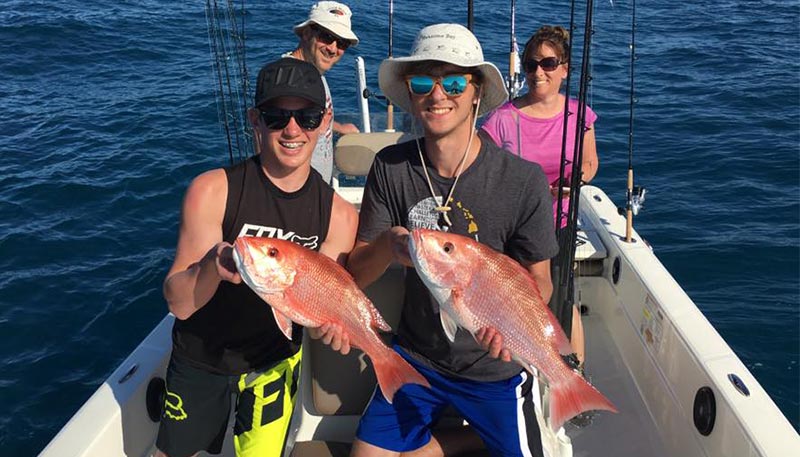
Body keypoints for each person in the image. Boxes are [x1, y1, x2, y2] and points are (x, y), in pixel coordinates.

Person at [344, 23, 559, 457]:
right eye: (423, 82)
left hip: (494, 371)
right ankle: (471, 439)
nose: (437, 94)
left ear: (476, 92)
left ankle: (485, 431)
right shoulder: (391, 167)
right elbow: (355, 275)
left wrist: (511, 330)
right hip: (416, 356)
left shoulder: (522, 180)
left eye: (454, 81)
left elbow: (541, 281)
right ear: (410, 93)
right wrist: (388, 245)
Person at [154, 58, 358, 457]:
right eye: (276, 116)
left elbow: (315, 319)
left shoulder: (340, 216)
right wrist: (211, 267)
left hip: (275, 366)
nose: (293, 129)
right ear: (255, 120)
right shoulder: (212, 191)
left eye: (308, 116)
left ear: (326, 120)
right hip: (201, 360)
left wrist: (331, 327)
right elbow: (178, 303)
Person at [481, 25, 599, 362]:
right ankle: (523, 359)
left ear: (564, 69)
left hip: (558, 223)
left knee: (563, 297)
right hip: (513, 227)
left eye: (548, 64)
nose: (538, 72)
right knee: (515, 298)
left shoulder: (580, 116)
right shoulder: (501, 119)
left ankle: (574, 370)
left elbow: (591, 163)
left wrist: (575, 181)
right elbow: (482, 168)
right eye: (531, 64)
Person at [285, 1, 361, 184]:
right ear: (306, 33)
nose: (333, 48)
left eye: (342, 43)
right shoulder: (289, 78)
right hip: (301, 192)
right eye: (326, 37)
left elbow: (308, 118)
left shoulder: (312, 73)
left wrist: (340, 128)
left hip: (318, 187)